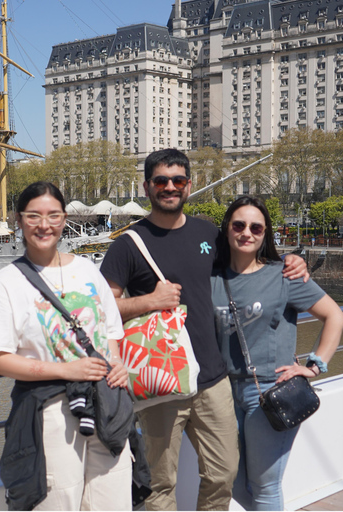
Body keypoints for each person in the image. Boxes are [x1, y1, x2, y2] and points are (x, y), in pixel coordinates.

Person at [100, 148, 309, 511]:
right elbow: (99, 310)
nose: (169, 187)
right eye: (161, 181)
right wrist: (148, 301)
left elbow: (250, 259)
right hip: (160, 381)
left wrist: (290, 259)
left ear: (188, 185)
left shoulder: (207, 233)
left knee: (224, 472)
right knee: (160, 483)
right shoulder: (127, 246)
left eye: (177, 180)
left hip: (213, 379)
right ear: (146, 186)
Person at [0, 181, 133, 511]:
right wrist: (65, 370)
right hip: (51, 410)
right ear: (18, 220)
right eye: (33, 216)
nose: (44, 225)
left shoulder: (88, 269)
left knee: (113, 500)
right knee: (60, 499)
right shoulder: (7, 282)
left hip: (106, 402)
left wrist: (117, 363)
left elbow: (112, 332)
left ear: (64, 219)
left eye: (53, 215)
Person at [210, 196, 343, 511]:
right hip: (222, 393)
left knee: (266, 486)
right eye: (239, 225)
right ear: (227, 229)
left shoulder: (284, 275)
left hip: (271, 391)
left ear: (265, 233)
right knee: (228, 479)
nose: (247, 232)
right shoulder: (211, 278)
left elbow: (335, 316)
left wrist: (314, 365)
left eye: (256, 227)